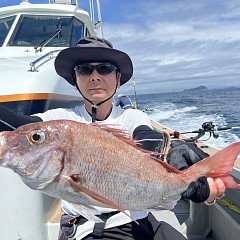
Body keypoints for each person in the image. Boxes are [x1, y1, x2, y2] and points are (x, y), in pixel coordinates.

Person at [0, 36, 225, 240]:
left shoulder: (131, 116)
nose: (95, 76)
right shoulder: (61, 120)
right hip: (87, 228)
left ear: (118, 80)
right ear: (75, 79)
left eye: (105, 69)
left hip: (138, 220)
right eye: (85, 69)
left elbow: (147, 138)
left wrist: (174, 151)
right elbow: (17, 125)